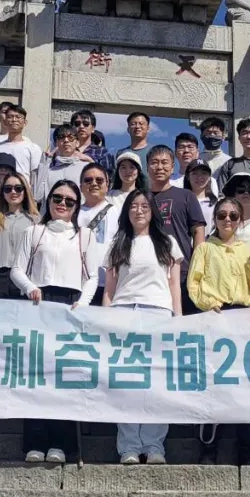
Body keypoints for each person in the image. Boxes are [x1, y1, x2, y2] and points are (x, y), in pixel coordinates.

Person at [11, 180, 100, 464]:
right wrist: (29, 287)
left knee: (65, 374)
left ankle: (61, 443)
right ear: (48, 201)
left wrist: (83, 303)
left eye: (69, 201)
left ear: (76, 207)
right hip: (39, 301)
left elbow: (93, 276)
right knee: (37, 373)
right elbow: (17, 269)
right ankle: (35, 441)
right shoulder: (34, 232)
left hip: (70, 304)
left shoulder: (85, 235)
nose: (62, 204)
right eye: (57, 198)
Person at [103, 190, 183, 464]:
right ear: (126, 211)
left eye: (144, 206)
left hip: (158, 312)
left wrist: (178, 318)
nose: (139, 211)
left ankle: (154, 445)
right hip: (124, 312)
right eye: (134, 206)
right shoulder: (118, 243)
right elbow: (110, 289)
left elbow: (174, 284)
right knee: (126, 382)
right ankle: (128, 446)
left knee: (156, 383)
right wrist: (105, 320)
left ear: (153, 211)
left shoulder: (167, 242)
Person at [187, 197, 250, 464]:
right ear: (215, 219)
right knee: (214, 382)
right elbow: (194, 284)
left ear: (240, 220)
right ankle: (209, 447)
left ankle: (248, 448)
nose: (228, 220)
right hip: (216, 315)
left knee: (246, 383)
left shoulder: (249, 248)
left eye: (233, 215)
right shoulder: (204, 248)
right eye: (222, 215)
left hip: (244, 315)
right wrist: (208, 303)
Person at [148, 146, 207, 315]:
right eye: (154, 162)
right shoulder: (141, 198)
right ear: (147, 167)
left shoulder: (186, 196)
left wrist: (197, 265)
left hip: (182, 271)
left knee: (184, 321)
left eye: (164, 162)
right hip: (150, 272)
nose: (160, 167)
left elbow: (198, 231)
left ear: (173, 167)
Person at [0, 172, 40, 299]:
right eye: (8, 189)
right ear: (2, 192)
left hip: (24, 276)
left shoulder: (35, 220)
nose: (13, 192)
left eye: (18, 188)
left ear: (25, 191)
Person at [78, 163, 120, 306]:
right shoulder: (72, 212)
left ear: (107, 185)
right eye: (88, 180)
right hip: (75, 283)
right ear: (81, 186)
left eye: (99, 180)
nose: (94, 184)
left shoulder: (117, 213)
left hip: (104, 284)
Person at [0, 104, 43, 185]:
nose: (14, 120)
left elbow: (36, 177)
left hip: (23, 191)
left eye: (18, 117)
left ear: (25, 122)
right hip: (0, 191)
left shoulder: (33, 148)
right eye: (10, 117)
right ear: (5, 122)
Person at [35, 124, 91, 203]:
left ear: (77, 143)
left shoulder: (86, 168)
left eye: (70, 137)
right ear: (56, 143)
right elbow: (37, 197)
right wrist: (44, 163)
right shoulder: (48, 170)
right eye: (61, 137)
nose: (66, 140)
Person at [214, 117, 250, 191]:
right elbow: (221, 193)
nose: (249, 137)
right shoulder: (229, 165)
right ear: (239, 138)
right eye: (244, 133)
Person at [71, 109, 114, 175]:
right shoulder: (65, 149)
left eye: (86, 124)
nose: (81, 126)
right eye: (77, 124)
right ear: (72, 128)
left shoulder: (102, 152)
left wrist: (91, 162)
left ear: (93, 128)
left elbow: (108, 176)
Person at [184, 158, 219, 234]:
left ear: (209, 177)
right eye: (194, 173)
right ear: (188, 177)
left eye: (204, 173)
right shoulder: (180, 202)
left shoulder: (216, 204)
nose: (199, 177)